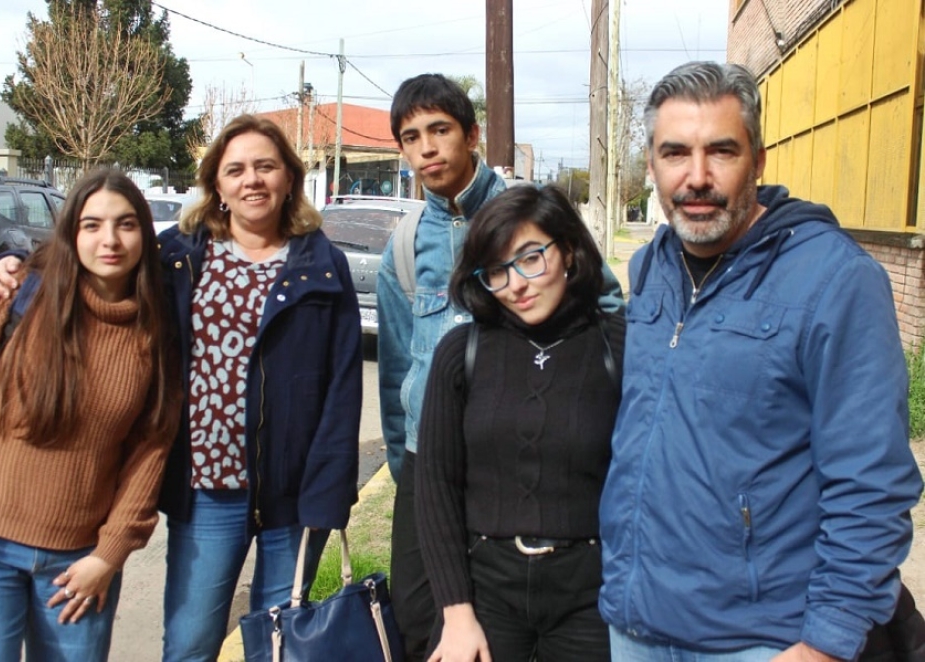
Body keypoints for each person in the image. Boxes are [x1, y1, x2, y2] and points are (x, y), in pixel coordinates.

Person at [0, 115, 364, 662]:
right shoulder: (176, 254)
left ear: (289, 178)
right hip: (205, 491)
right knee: (189, 644)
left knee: (284, 645)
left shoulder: (324, 266)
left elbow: (344, 386)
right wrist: (6, 264)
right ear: (218, 184)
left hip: (294, 493)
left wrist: (328, 491)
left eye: (265, 167)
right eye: (236, 170)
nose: (252, 180)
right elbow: (82, 263)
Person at [598, 61, 924, 661]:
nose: (697, 177)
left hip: (761, 641)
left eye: (721, 151)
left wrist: (825, 643)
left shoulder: (836, 280)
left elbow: (870, 483)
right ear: (650, 165)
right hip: (637, 625)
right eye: (675, 153)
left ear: (759, 160)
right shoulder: (651, 268)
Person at [377, 72, 626, 661]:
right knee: (424, 620)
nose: (427, 148)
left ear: (472, 134)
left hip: (530, 455)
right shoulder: (407, 242)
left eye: (439, 130)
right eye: (412, 138)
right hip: (432, 453)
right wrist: (405, 461)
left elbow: (602, 306)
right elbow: (393, 366)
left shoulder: (529, 212)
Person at [0, 168, 180, 661]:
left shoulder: (157, 333)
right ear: (71, 232)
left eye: (126, 224)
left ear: (144, 234)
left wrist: (108, 557)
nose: (109, 239)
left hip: (77, 564)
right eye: (92, 225)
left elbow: (149, 454)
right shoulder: (13, 295)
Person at [416, 184, 622, 662]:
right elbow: (435, 489)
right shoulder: (461, 354)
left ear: (568, 251)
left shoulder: (620, 348)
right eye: (496, 271)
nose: (516, 285)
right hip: (485, 589)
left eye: (531, 258)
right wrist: (456, 613)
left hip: (593, 596)